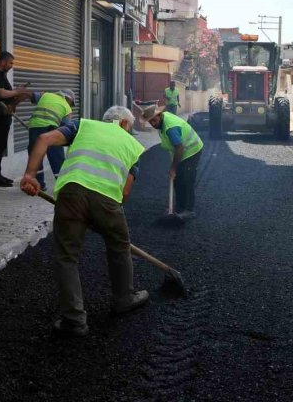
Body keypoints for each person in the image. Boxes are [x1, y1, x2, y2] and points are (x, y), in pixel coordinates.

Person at [20, 106, 148, 337]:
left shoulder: (83, 126)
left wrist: (30, 175)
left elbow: (43, 138)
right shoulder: (133, 145)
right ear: (125, 124)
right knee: (119, 247)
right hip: (107, 200)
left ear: (105, 120)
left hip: (70, 193)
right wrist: (103, 218)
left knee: (67, 256)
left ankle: (74, 320)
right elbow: (125, 192)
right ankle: (124, 299)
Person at [144, 105, 205, 219]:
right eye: (150, 121)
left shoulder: (170, 128)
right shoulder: (162, 123)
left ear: (160, 115)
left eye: (154, 120)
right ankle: (178, 208)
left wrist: (173, 168)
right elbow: (174, 148)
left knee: (187, 178)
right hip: (181, 151)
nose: (153, 123)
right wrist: (175, 168)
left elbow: (179, 148)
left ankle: (189, 210)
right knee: (177, 179)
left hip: (192, 150)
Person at [0, 51, 31, 187]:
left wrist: (18, 91)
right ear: (3, 61)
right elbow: (1, 93)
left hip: (3, 115)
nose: (11, 65)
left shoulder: (0, 75)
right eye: (10, 63)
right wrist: (17, 92)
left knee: (1, 146)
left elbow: (6, 93)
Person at [28, 90, 76, 191]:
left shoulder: (46, 95)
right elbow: (66, 129)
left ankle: (39, 184)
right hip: (52, 128)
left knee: (36, 155)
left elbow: (28, 94)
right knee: (56, 157)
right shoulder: (67, 108)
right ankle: (63, 185)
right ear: (69, 99)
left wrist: (12, 104)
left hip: (35, 125)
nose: (71, 105)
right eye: (72, 103)